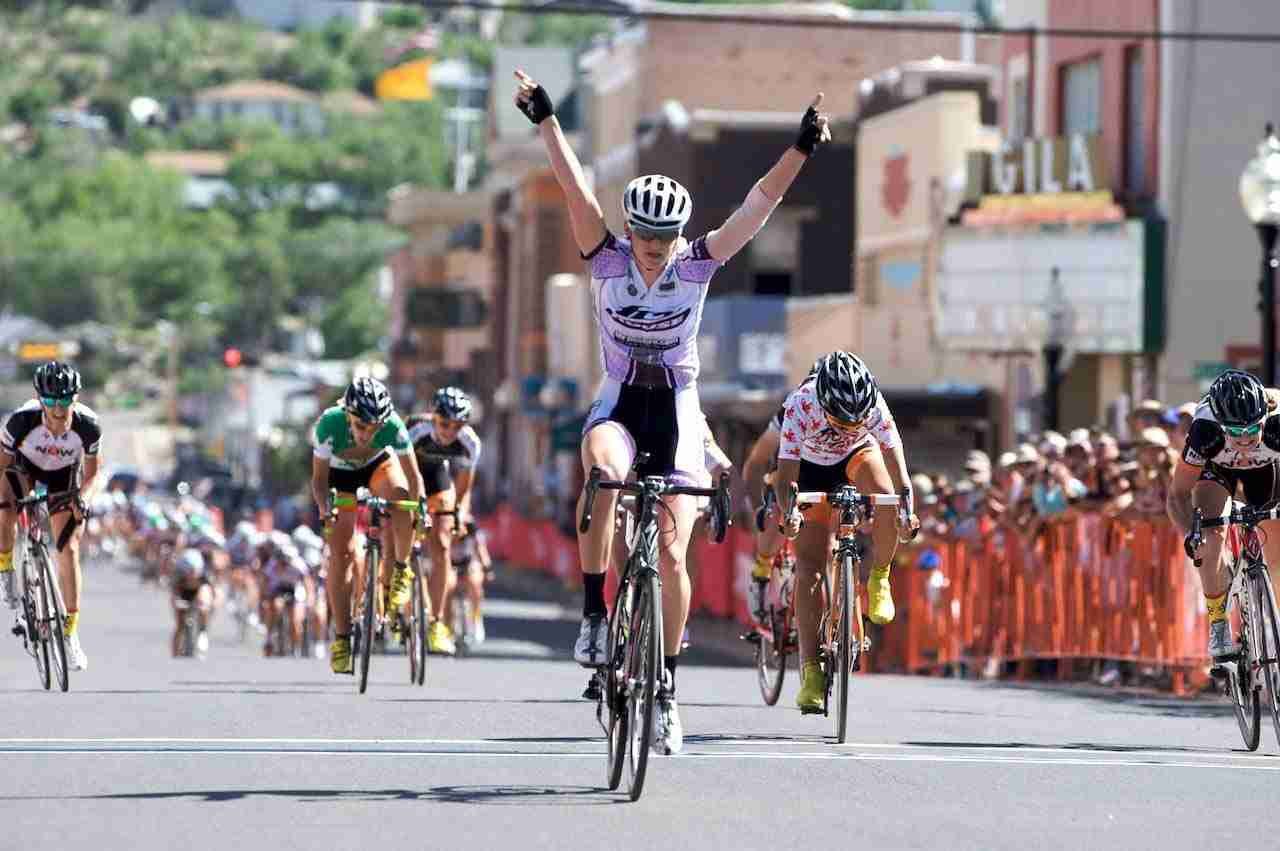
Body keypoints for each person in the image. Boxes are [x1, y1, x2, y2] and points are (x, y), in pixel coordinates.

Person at [514, 68, 831, 755]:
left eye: (665, 239)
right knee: (601, 474)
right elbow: (572, 183)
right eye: (646, 238)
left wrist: (800, 149)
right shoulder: (604, 257)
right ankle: (595, 615)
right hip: (621, 400)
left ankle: (665, 687)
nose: (655, 251)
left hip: (678, 406)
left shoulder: (697, 265)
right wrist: (545, 118)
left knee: (673, 549)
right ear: (630, 228)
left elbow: (759, 204)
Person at [771, 351, 919, 714]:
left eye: (857, 420)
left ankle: (879, 579)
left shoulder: (876, 407)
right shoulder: (800, 405)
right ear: (822, 402)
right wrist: (789, 513)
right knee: (809, 566)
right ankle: (811, 673)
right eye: (841, 421)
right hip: (809, 467)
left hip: (856, 458)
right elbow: (785, 474)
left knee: (886, 497)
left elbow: (900, 475)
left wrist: (907, 511)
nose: (849, 427)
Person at [310, 377, 425, 675]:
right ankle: (342, 639)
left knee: (401, 500)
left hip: (378, 466)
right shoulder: (328, 424)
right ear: (348, 414)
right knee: (342, 553)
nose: (367, 433)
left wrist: (419, 509)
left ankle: (400, 570)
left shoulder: (394, 427)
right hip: (340, 476)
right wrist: (325, 510)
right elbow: (319, 482)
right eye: (361, 426)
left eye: (374, 428)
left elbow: (414, 480)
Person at [1169, 370, 1280, 658]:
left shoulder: (1277, 424)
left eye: (1251, 430)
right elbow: (1177, 495)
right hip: (1218, 471)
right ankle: (1218, 625)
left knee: (1278, 556)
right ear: (1220, 423)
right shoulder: (1205, 431)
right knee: (1210, 535)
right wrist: (1190, 534)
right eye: (1235, 432)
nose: (1244, 441)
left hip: (1267, 470)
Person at [0, 361, 101, 671]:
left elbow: (94, 475)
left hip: (63, 478)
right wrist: (10, 502)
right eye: (51, 401)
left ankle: (70, 634)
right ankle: (6, 571)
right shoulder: (20, 421)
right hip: (23, 470)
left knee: (68, 547)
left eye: (65, 400)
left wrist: (83, 499)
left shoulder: (88, 425)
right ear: (39, 398)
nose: (58, 408)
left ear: (76, 397)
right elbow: (2, 465)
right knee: (4, 510)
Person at [406, 386, 483, 656]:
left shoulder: (470, 442)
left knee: (441, 544)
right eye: (444, 423)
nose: (450, 431)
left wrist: (458, 514)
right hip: (407, 477)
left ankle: (436, 623)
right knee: (398, 532)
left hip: (439, 479)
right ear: (432, 417)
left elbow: (463, 488)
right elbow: (395, 473)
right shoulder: (415, 431)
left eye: (457, 425)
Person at [171, 547, 212, 658]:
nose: (193, 574)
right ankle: (174, 653)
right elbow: (174, 595)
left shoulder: (203, 575)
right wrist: (177, 603)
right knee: (179, 624)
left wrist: (204, 605)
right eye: (190, 572)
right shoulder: (179, 574)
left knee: (204, 605)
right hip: (183, 592)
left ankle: (203, 630)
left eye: (196, 572)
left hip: (199, 591)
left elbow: (209, 592)